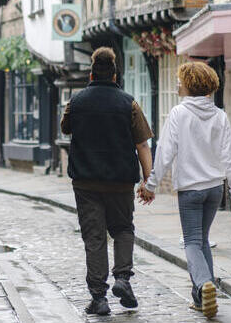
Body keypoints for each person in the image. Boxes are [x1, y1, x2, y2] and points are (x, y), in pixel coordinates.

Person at [138, 62, 231, 318]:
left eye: (180, 80)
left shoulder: (179, 113)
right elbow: (230, 155)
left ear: (190, 84)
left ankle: (205, 283)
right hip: (214, 189)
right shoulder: (220, 115)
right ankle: (200, 297)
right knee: (202, 240)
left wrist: (150, 184)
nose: (177, 84)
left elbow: (164, 153)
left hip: (190, 190)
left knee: (192, 241)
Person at [61, 47, 153, 316]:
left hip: (86, 183)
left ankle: (99, 298)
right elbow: (142, 145)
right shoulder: (129, 103)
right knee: (123, 229)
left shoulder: (76, 102)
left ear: (91, 73)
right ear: (115, 75)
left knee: (95, 237)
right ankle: (122, 279)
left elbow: (65, 127)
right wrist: (148, 180)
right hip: (121, 182)